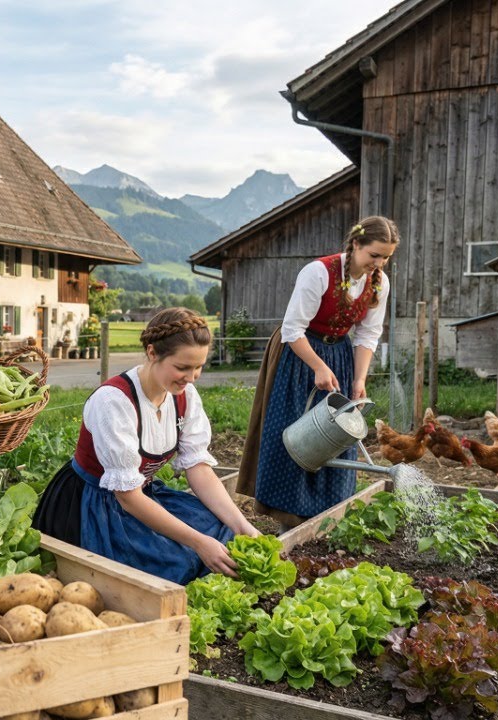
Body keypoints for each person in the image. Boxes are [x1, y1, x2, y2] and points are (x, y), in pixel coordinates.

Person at [33, 308, 260, 585]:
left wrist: (243, 526)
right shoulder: (114, 402)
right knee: (180, 561)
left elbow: (198, 469)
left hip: (142, 495)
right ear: (152, 353)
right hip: (93, 505)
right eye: (182, 367)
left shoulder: (183, 396)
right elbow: (127, 496)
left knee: (221, 530)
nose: (191, 377)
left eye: (198, 367)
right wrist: (200, 543)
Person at [237, 216, 400, 530]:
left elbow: (368, 334)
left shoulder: (379, 282)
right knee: (294, 431)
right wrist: (317, 366)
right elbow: (292, 329)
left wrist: (359, 380)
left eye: (386, 257)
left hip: (340, 355)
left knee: (337, 433)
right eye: (374, 255)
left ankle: (327, 517)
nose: (378, 263)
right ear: (356, 244)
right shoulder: (319, 272)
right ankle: (288, 523)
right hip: (298, 354)